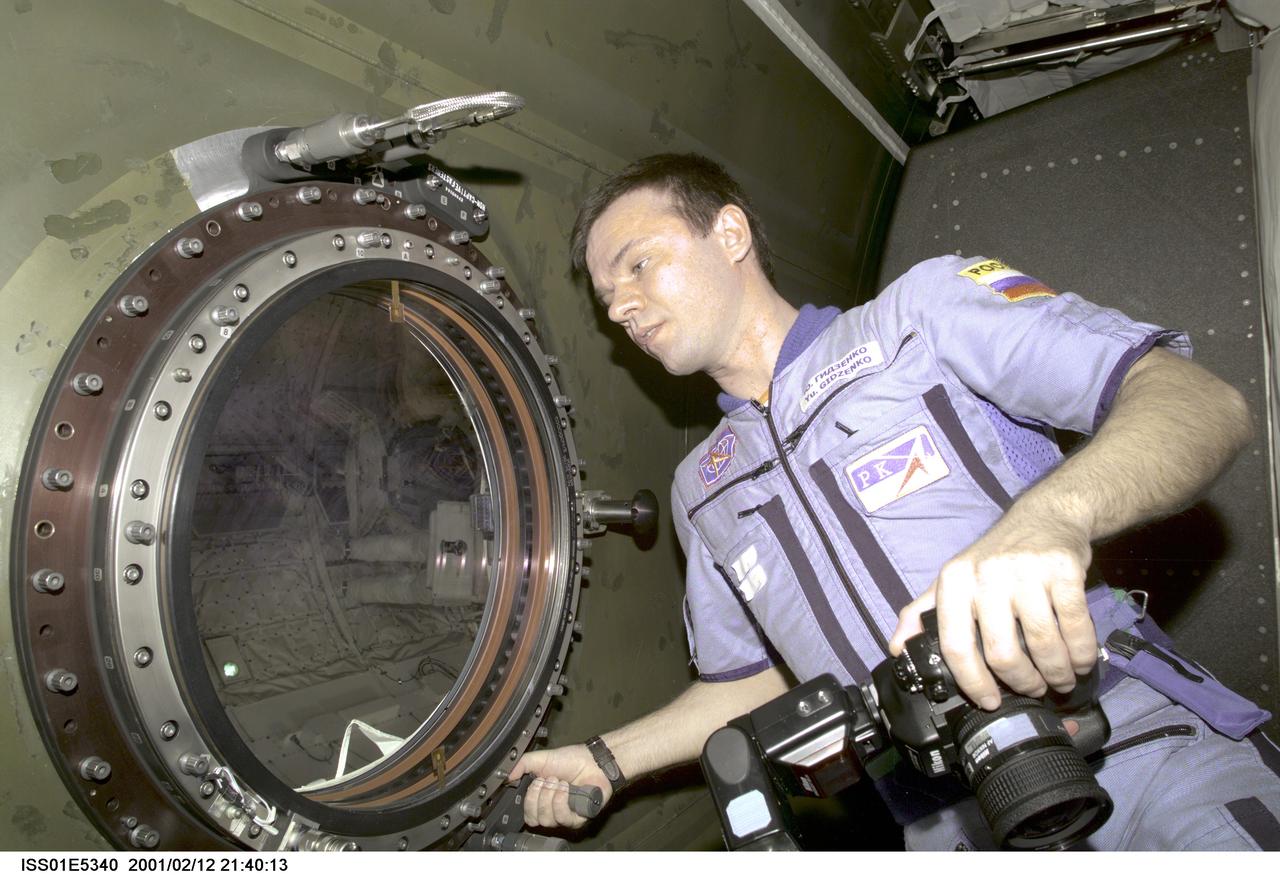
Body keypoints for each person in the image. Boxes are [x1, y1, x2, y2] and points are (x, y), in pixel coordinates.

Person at [510, 153, 1280, 850]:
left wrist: (1049, 518)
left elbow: (1199, 401)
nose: (621, 309)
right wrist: (607, 759)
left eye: (639, 265)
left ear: (731, 233)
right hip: (944, 826)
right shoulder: (699, 487)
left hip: (1127, 746)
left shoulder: (920, 315)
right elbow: (757, 678)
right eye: (608, 297)